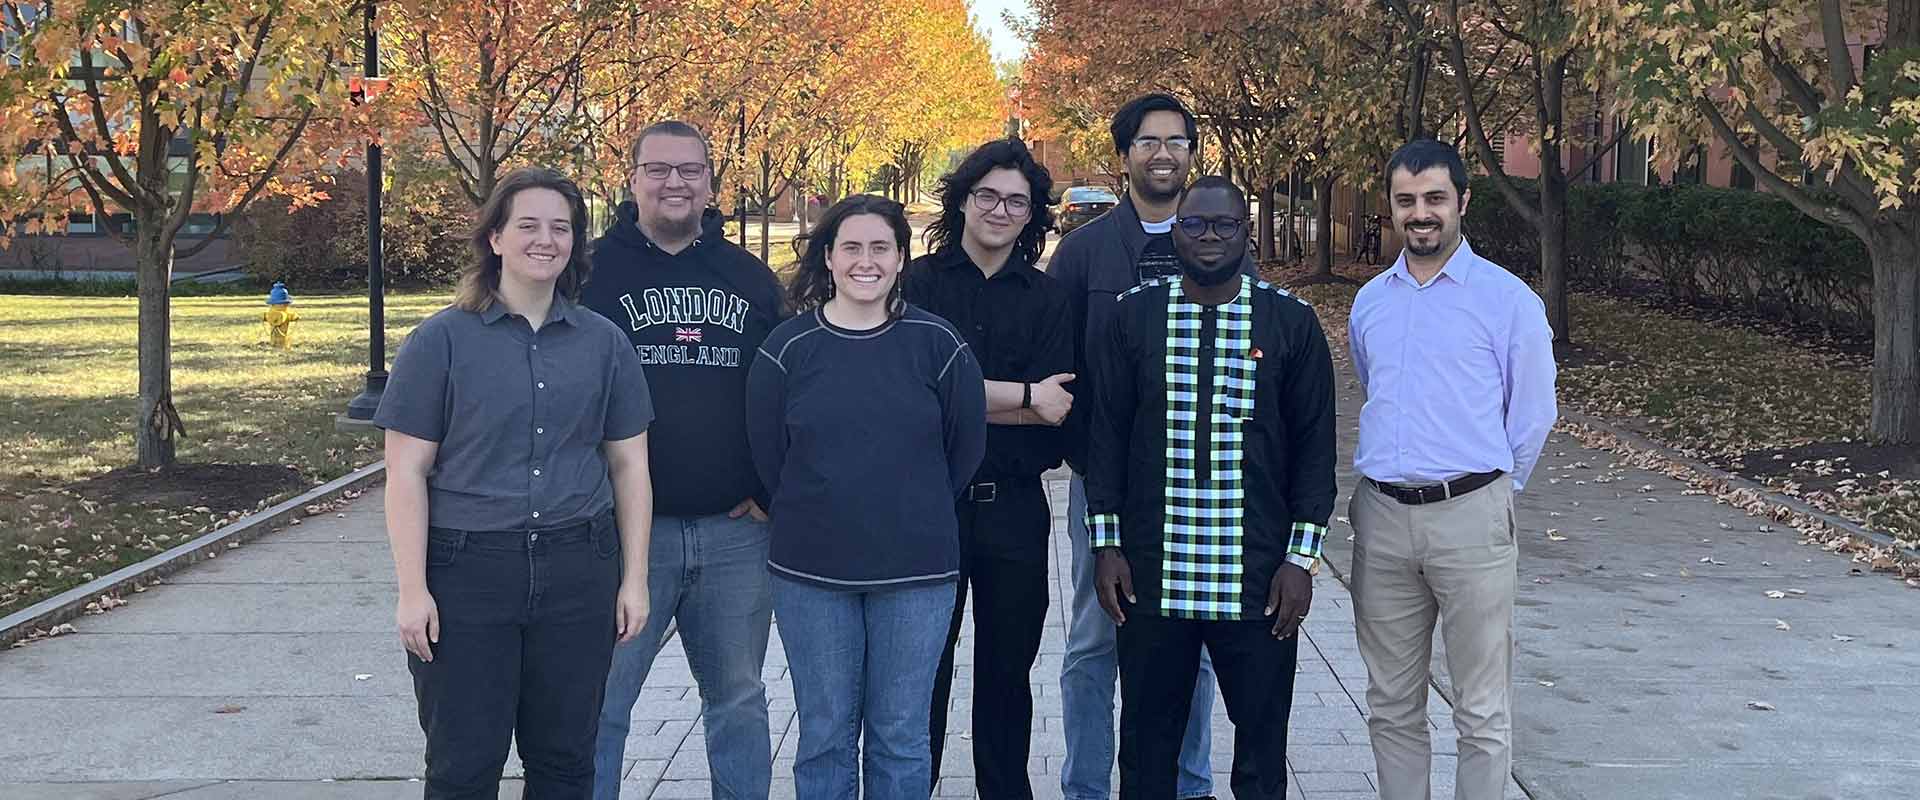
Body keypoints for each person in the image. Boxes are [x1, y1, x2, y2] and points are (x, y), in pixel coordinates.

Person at [376, 167, 656, 798]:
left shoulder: (604, 344)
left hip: (577, 570)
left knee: (564, 764)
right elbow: (406, 472)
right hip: (467, 574)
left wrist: (634, 578)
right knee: (463, 766)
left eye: (560, 228)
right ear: (496, 238)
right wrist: (412, 589)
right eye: (527, 225)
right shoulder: (440, 342)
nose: (545, 239)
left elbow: (629, 466)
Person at [1083, 176, 1336, 800]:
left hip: (1257, 578)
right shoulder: (1134, 315)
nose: (1209, 237)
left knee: (1260, 748)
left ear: (1246, 233)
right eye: (1195, 225)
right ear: (1177, 231)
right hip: (1152, 570)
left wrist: (1300, 561)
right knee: (1146, 746)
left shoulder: (1290, 323)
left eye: (1224, 225)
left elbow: (1314, 452)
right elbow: (1107, 438)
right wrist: (1106, 546)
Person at [746, 194, 988, 800]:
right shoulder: (787, 349)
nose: (865, 261)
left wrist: (909, 502)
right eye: (851, 247)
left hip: (917, 572)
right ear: (828, 257)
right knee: (825, 735)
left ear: (902, 258)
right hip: (811, 572)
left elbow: (963, 450)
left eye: (880, 247)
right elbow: (769, 457)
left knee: (900, 736)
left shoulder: (938, 345)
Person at [1048, 92, 1254, 800]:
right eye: (1147, 141)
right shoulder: (1083, 254)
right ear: (1124, 155)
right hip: (1105, 489)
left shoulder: (1227, 246)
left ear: (1192, 154)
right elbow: (1062, 364)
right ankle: (1084, 787)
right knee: (1093, 640)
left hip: (1203, 491)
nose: (1162, 154)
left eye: (1176, 141)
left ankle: (1187, 785)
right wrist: (1088, 463)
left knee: (1189, 648)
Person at [1347, 139, 1558, 800]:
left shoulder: (1509, 302)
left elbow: (1532, 414)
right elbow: (1369, 382)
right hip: (1381, 522)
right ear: (1391, 207)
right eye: (1407, 200)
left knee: (1482, 713)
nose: (1421, 213)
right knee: (1390, 705)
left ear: (1462, 201)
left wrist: (1493, 493)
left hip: (1472, 519)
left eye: (1435, 198)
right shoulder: (1370, 304)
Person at [583, 120, 784, 800]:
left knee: (738, 699)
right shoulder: (587, 274)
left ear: (709, 182)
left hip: (734, 534)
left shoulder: (750, 280)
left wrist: (771, 491)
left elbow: (786, 391)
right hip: (623, 537)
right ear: (633, 177)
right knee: (601, 706)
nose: (675, 183)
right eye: (659, 169)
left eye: (690, 170)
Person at [903, 138, 1074, 799]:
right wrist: (1022, 396)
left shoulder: (1049, 299)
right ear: (964, 200)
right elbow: (909, 397)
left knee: (1007, 675)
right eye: (988, 196)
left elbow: (1057, 407)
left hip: (1015, 511)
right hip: (927, 508)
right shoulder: (914, 286)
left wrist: (967, 399)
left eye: (1016, 201)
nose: (1000, 210)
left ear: (1032, 215)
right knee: (920, 673)